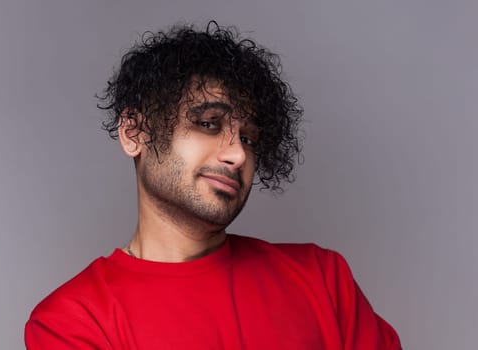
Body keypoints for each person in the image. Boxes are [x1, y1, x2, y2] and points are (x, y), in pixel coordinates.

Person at [25, 21, 401, 349]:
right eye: (208, 124)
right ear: (134, 131)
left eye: (249, 138)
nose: (237, 154)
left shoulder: (322, 279)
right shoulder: (72, 322)